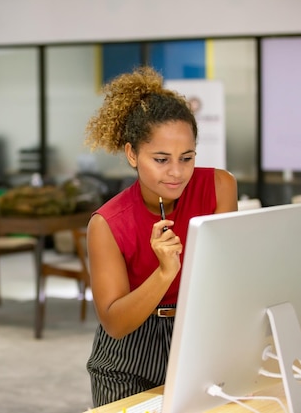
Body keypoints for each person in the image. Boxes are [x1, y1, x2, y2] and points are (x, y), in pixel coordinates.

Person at [83, 66, 238, 406]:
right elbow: (115, 324)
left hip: (201, 333)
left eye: (187, 158)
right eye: (161, 159)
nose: (176, 172)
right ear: (132, 154)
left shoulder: (219, 187)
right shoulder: (107, 223)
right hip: (128, 356)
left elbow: (226, 276)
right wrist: (164, 272)